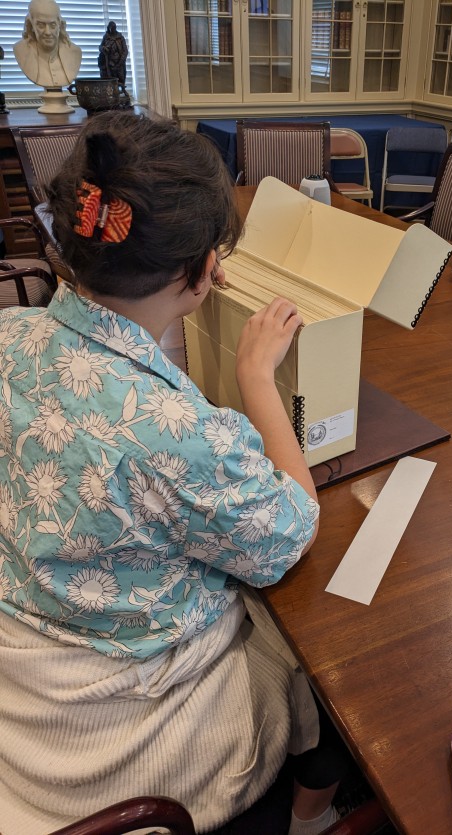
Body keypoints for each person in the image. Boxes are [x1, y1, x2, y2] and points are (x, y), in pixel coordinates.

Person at [0, 112, 343, 835]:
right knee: (322, 659)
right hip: (119, 732)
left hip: (24, 680)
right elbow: (292, 526)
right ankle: (313, 814)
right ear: (200, 274)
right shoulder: (175, 436)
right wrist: (254, 376)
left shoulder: (9, 334)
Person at [13, 0, 82, 89]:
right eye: (41, 25)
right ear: (31, 25)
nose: (48, 32)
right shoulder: (20, 50)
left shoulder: (74, 52)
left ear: (59, 24)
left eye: (53, 25)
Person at [98, 21, 128, 87]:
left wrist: (120, 63)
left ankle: (121, 91)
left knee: (120, 80)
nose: (112, 30)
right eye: (111, 28)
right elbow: (100, 46)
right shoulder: (106, 36)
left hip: (118, 63)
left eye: (113, 28)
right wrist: (103, 48)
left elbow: (125, 51)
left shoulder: (120, 37)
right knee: (108, 81)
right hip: (108, 63)